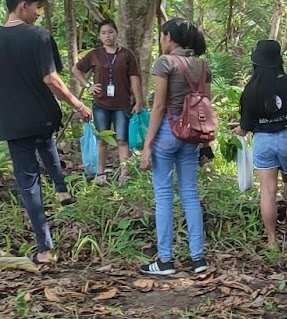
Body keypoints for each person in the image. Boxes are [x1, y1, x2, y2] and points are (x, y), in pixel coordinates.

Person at [0, 0, 91, 266]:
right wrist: (77, 103)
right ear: (23, 5)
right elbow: (51, 78)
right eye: (37, 7)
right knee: (45, 142)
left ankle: (44, 247)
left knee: (28, 183)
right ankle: (62, 189)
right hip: (42, 115)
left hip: (11, 121)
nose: (39, 13)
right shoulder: (39, 36)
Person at [139, 18, 212, 277]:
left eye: (162, 36)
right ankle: (198, 258)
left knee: (164, 196)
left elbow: (158, 107)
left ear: (169, 37)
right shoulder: (202, 65)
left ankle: (166, 260)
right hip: (192, 134)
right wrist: (205, 143)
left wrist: (147, 146)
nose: (161, 40)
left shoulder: (165, 63)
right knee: (190, 195)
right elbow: (205, 105)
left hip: (169, 131)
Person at [239, 39, 287, 250]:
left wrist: (238, 132)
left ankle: (272, 241)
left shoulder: (251, 89)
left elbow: (245, 125)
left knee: (267, 191)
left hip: (262, 140)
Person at [73, 19, 144, 184]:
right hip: (101, 104)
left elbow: (134, 78)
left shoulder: (127, 54)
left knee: (122, 139)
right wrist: (88, 85)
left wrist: (139, 101)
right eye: (103, 33)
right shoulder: (95, 54)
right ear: (99, 35)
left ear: (117, 33)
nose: (107, 36)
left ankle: (124, 174)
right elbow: (76, 69)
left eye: (110, 32)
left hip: (122, 104)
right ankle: (100, 173)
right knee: (103, 138)